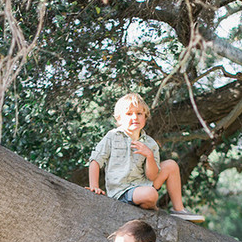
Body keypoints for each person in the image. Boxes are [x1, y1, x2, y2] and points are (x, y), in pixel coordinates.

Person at [87, 92, 205, 223]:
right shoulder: (113, 136)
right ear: (119, 119)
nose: (135, 117)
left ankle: (179, 210)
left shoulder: (150, 143)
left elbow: (152, 176)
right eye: (129, 114)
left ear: (145, 117)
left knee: (171, 165)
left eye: (139, 114)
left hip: (144, 185)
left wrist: (149, 155)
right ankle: (148, 204)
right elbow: (95, 161)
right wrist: (94, 186)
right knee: (151, 194)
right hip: (121, 191)